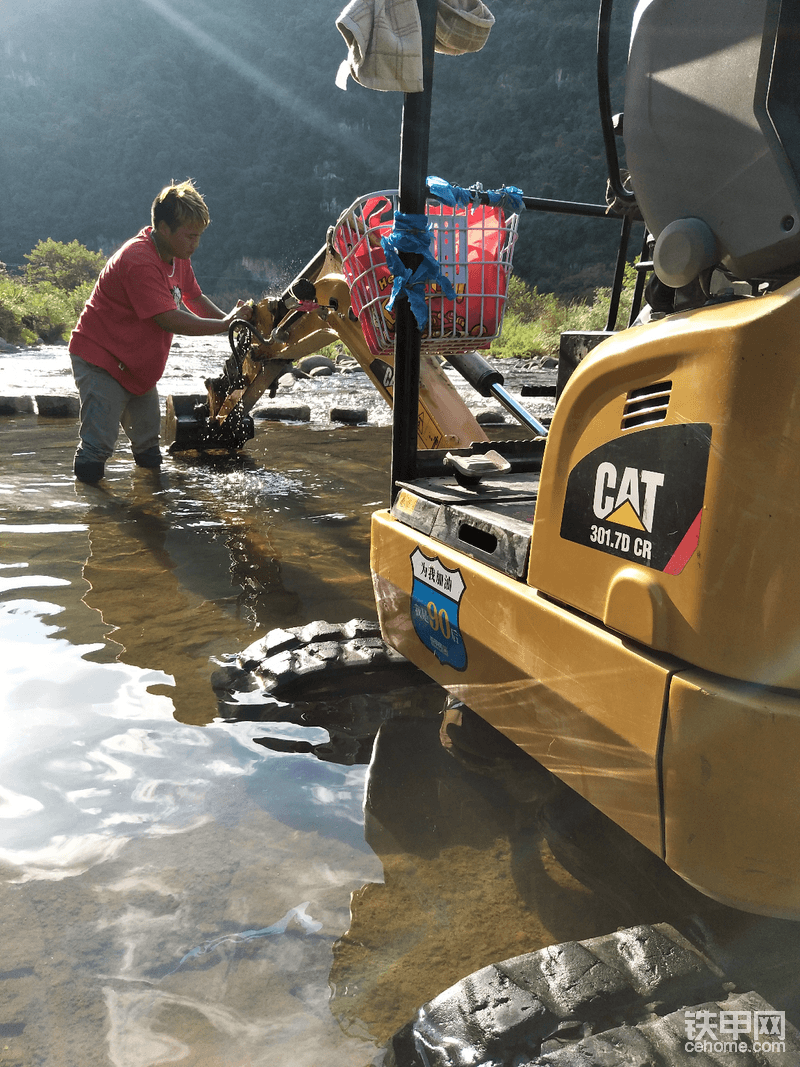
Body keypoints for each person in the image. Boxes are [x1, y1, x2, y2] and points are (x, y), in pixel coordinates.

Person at [69, 179, 252, 483]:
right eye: (190, 236)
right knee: (97, 448)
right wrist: (224, 324)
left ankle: (150, 509)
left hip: (136, 370)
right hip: (102, 361)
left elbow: (193, 297)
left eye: (199, 236)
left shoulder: (177, 256)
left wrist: (230, 322)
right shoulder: (138, 260)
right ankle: (95, 516)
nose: (195, 244)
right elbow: (169, 319)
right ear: (163, 228)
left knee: (149, 451)